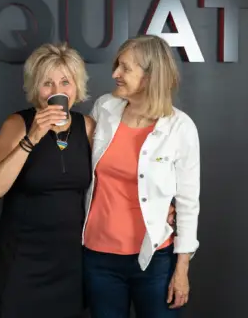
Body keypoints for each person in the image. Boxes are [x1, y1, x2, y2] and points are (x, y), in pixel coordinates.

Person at [83, 35, 201, 318]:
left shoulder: (180, 127)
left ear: (149, 77)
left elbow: (188, 202)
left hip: (155, 260)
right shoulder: (104, 108)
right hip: (98, 256)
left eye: (125, 68)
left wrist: (182, 269)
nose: (115, 74)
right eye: (116, 66)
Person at [0, 42, 95, 318]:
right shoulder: (17, 124)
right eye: (47, 83)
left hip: (70, 262)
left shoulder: (88, 127)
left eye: (65, 82)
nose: (57, 91)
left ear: (76, 87)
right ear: (35, 89)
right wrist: (33, 136)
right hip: (22, 260)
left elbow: (110, 184)